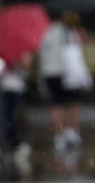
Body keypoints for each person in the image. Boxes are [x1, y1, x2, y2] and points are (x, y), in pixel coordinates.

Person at [37, 11, 91, 151]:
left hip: (50, 72)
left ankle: (59, 135)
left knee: (56, 104)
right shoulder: (71, 31)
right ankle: (71, 132)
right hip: (69, 72)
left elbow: (39, 49)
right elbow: (83, 43)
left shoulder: (44, 31)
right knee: (73, 103)